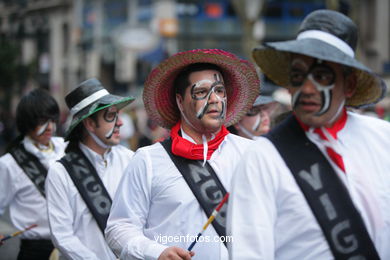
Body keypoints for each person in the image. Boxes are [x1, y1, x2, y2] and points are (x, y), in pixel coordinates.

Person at [227, 9, 390, 260]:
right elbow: (249, 252)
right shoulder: (263, 158)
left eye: (322, 76)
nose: (307, 88)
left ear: (349, 85)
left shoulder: (383, 139)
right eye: (298, 76)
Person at [105, 49, 260, 260]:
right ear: (180, 101)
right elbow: (119, 228)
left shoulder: (251, 154)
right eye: (202, 92)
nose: (214, 99)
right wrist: (156, 252)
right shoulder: (148, 160)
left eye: (220, 91)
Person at [45, 78, 135, 259]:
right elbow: (62, 236)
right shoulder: (61, 172)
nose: (120, 123)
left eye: (117, 115)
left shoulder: (131, 159)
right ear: (90, 124)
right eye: (111, 116)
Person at [0, 88, 66, 259]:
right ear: (27, 123)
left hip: (71, 248)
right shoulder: (9, 163)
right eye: (43, 121)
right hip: (35, 249)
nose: (50, 127)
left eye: (53, 120)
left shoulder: (66, 148)